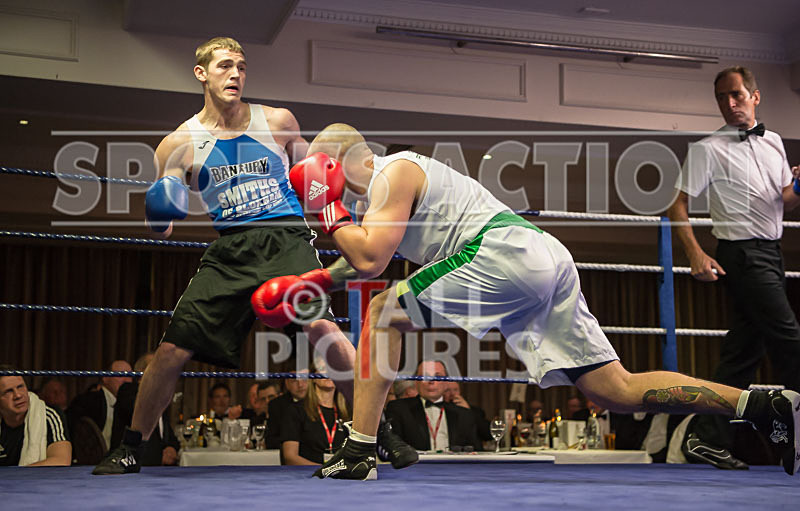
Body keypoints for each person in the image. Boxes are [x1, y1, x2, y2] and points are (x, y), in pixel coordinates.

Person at [261, 123, 800, 480]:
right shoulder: (383, 198)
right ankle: (758, 404)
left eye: (318, 168)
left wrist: (329, 213)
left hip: (503, 253)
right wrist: (308, 285)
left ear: (335, 161)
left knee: (385, 309)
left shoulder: (394, 170)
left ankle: (358, 449)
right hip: (537, 260)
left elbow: (371, 261)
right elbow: (355, 258)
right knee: (616, 391)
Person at [91, 36, 367, 475]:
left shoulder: (276, 120)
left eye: (241, 66)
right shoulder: (179, 142)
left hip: (284, 238)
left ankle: (376, 434)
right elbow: (161, 227)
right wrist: (159, 206)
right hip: (231, 247)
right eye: (224, 66)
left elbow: (313, 179)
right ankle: (129, 447)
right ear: (201, 73)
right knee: (171, 350)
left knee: (323, 328)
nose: (235, 74)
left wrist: (334, 197)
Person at [667, 65, 800, 470]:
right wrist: (694, 253)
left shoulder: (774, 141)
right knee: (790, 341)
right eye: (722, 97)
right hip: (741, 254)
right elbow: (677, 204)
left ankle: (706, 437)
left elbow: (784, 200)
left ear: (755, 97)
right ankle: (790, 435)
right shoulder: (708, 148)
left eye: (737, 95)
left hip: (771, 251)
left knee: (742, 354)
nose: (729, 104)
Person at [385, 360, 480, 452]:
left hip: (454, 467)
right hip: (415, 467)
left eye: (438, 376)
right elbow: (392, 448)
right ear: (416, 381)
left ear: (446, 382)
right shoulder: (399, 409)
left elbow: (476, 453)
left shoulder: (464, 415)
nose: (431, 381)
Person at [110, 353, 179, 467]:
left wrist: (171, 448)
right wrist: (159, 457)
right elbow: (140, 420)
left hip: (159, 469)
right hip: (133, 465)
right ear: (142, 371)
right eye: (158, 366)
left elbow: (168, 435)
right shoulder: (128, 391)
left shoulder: (161, 397)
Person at [0, 366, 71, 466]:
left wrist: (17, 476)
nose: (18, 395)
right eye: (9, 391)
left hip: (37, 481)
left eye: (20, 387)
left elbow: (61, 461)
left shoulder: (49, 415)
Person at [282, 362, 350, 465]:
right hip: (307, 476)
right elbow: (290, 456)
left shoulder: (347, 411)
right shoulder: (296, 410)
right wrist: (323, 470)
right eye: (323, 368)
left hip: (341, 477)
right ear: (313, 377)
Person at [68, 360, 132, 451]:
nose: (126, 380)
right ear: (105, 377)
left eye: (130, 376)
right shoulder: (88, 401)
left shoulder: (132, 406)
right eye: (121, 374)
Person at [442, 381, 491, 446]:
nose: (452, 394)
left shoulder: (475, 411)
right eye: (447, 390)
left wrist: (468, 411)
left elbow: (488, 435)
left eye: (455, 390)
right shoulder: (440, 411)